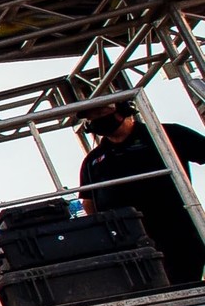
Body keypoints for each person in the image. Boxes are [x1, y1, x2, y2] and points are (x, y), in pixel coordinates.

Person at [78, 100, 205, 284]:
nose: (97, 119)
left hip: (177, 231)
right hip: (130, 241)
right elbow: (88, 201)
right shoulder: (93, 160)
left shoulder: (164, 134)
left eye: (101, 112)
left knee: (185, 287)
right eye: (92, 117)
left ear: (123, 110)